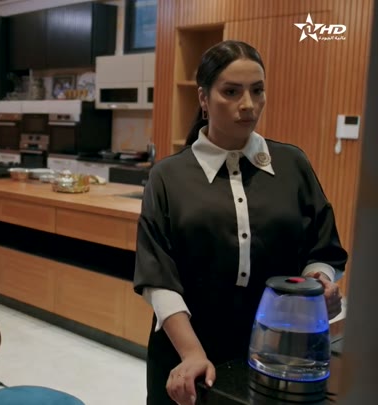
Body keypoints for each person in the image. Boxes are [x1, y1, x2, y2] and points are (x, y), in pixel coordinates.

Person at [133, 40, 348, 405]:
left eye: (257, 90)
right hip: (186, 353)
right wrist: (192, 353)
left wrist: (318, 285)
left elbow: (323, 248)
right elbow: (158, 278)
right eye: (231, 92)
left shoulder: (293, 164)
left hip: (278, 351)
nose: (248, 104)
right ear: (203, 98)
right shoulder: (167, 176)